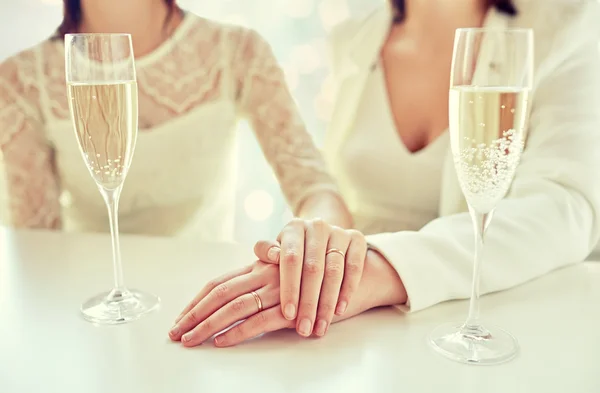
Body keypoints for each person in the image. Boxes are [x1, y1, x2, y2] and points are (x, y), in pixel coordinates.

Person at [170, 0, 600, 347]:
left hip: (467, 331)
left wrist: (380, 270)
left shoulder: (565, 25)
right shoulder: (356, 36)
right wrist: (314, 256)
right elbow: (336, 195)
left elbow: (566, 205)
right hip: (347, 332)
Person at [0, 0, 352, 239]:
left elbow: (314, 188)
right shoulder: (22, 80)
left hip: (207, 308)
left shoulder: (237, 51)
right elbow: (38, 245)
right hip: (95, 310)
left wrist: (313, 246)